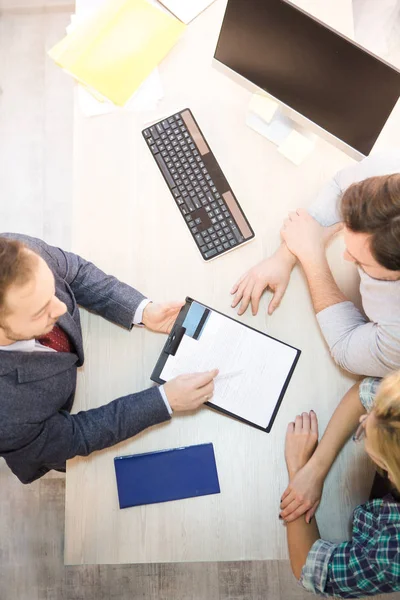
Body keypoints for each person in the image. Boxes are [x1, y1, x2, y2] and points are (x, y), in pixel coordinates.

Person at [0, 233, 218, 484]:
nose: (60, 308)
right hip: (54, 433)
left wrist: (143, 311)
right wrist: (164, 400)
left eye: (52, 292)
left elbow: (76, 274)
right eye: (41, 311)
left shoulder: (19, 256)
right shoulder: (7, 417)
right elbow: (74, 438)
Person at [231, 151, 400, 377]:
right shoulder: (387, 172)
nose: (346, 256)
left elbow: (344, 346)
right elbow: (340, 187)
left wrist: (313, 258)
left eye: (360, 261)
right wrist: (286, 254)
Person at [283, 373, 400, 597]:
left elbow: (310, 570)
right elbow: (363, 392)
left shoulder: (392, 554)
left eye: (365, 435)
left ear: (391, 475)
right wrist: (315, 469)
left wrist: (297, 468)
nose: (362, 420)